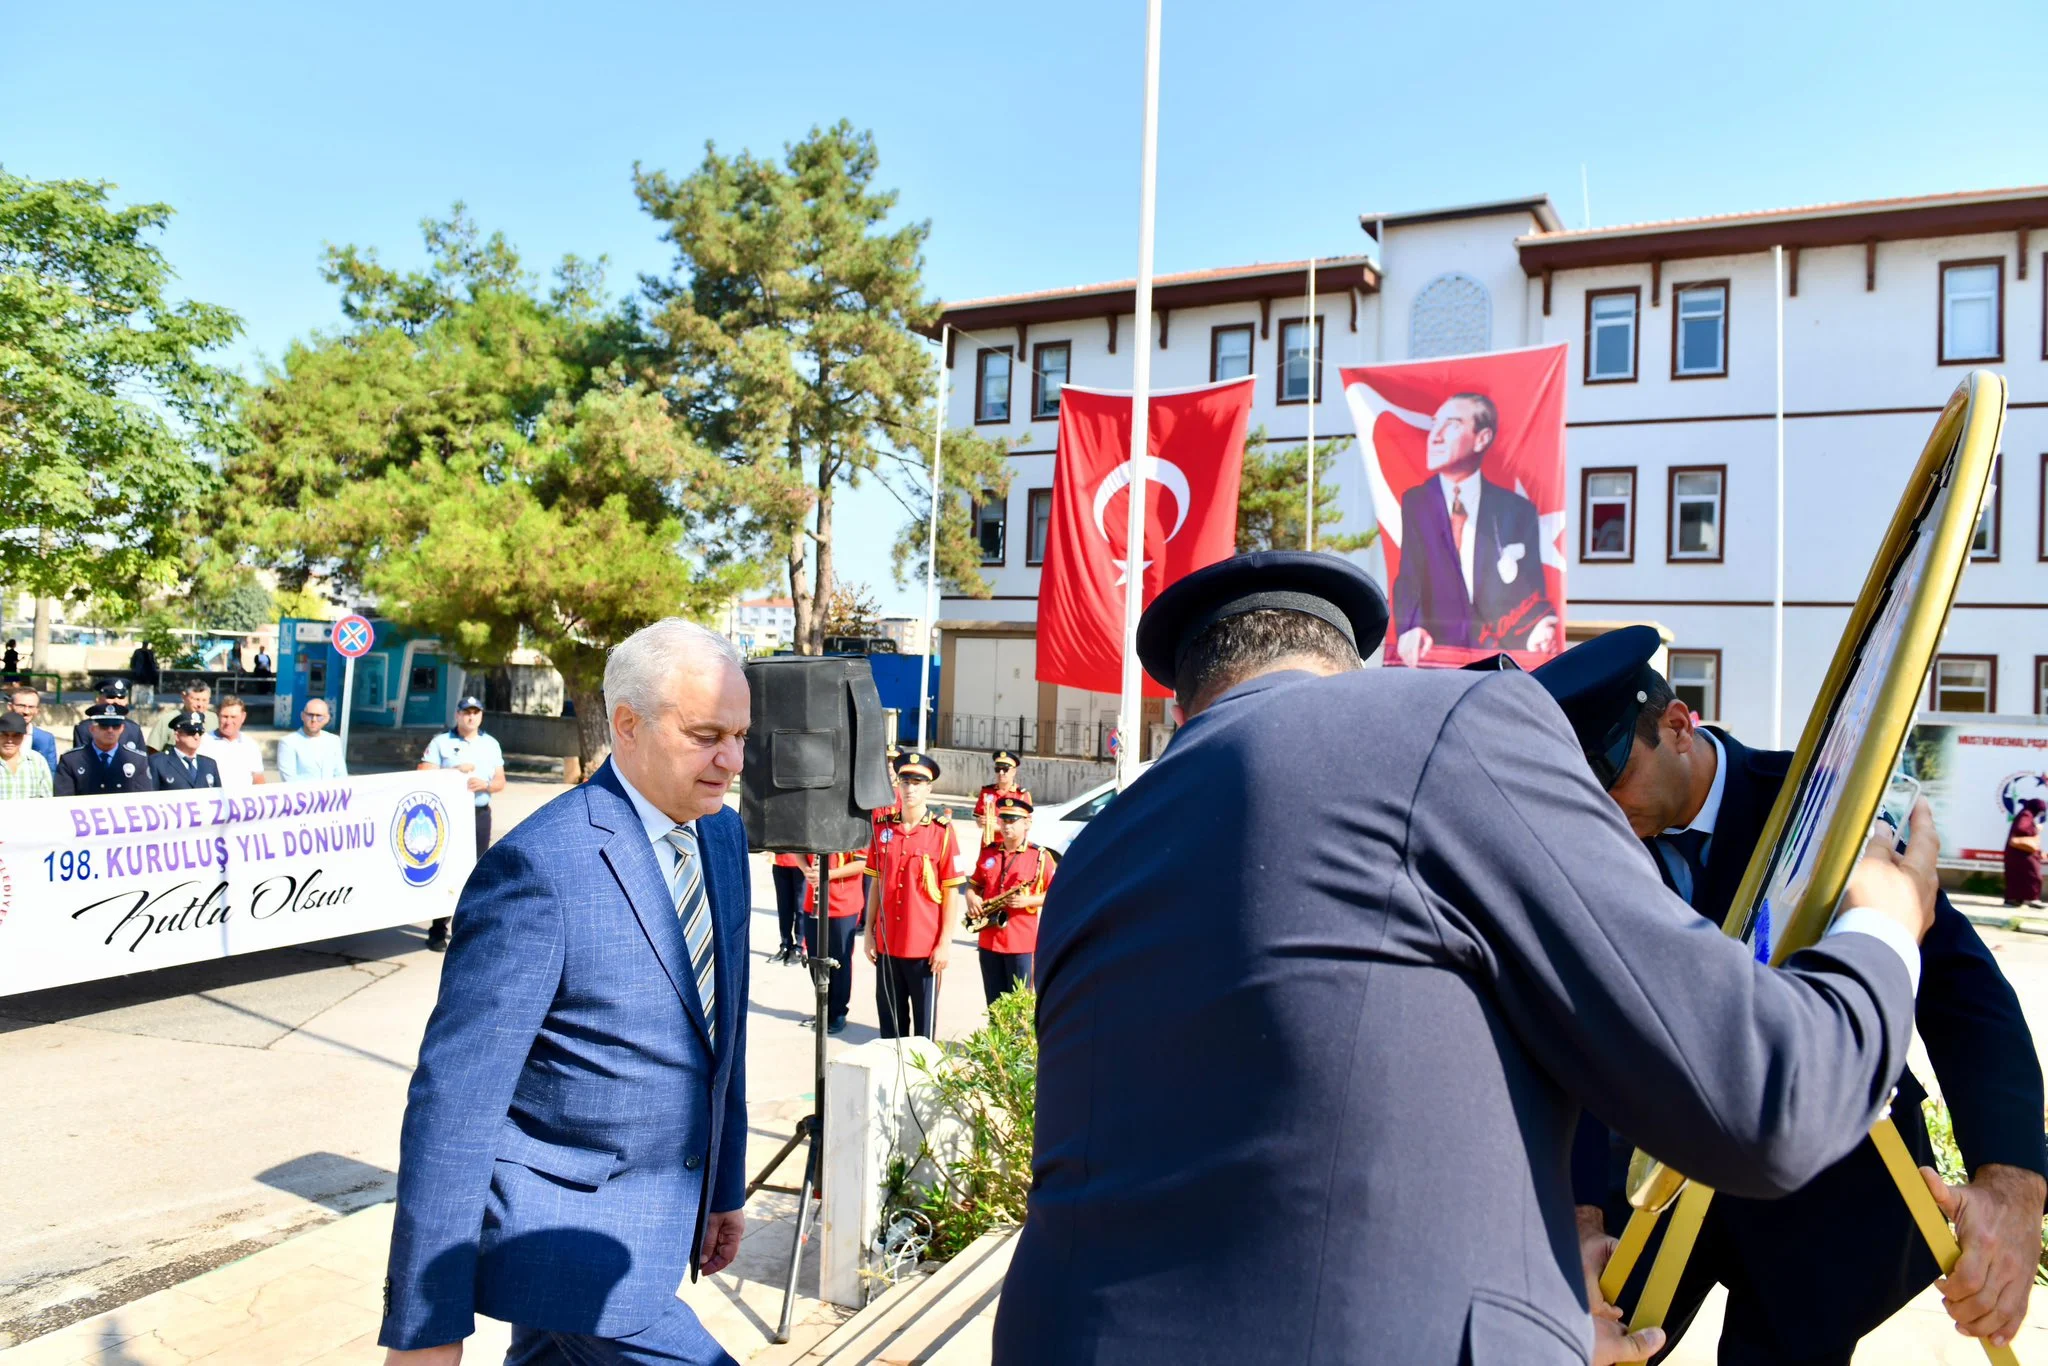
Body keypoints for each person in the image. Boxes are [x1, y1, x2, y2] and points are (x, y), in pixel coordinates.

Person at [993, 550, 1940, 1366]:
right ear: (1347, 670)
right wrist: (1886, 928)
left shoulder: (1096, 858)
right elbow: (1767, 1096)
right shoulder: (1436, 726)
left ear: (1184, 708)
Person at [1532, 626, 2048, 1360]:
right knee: (1570, 1343)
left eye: (1612, 773)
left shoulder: (1817, 813)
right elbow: (1569, 1020)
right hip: (1649, 1179)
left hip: (1824, 1184)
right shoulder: (1583, 844)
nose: (1604, 811)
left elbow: (1965, 993)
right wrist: (1579, 1216)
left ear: (1678, 727)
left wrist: (2014, 1186)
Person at [380, 618, 752, 1366]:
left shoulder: (722, 836)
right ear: (627, 725)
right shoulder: (539, 868)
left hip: (658, 1224)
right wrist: (429, 1326)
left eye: (741, 735)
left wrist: (724, 1183)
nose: (732, 760)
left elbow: (722, 1028)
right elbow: (454, 1103)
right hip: (566, 1246)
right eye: (708, 734)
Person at [1392, 393, 1559, 665]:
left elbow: (1531, 592)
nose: (1435, 436)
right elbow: (1409, 578)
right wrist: (1410, 628)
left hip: (1497, 663)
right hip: (1434, 661)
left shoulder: (1517, 511)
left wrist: (1539, 628)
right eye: (1435, 424)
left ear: (1482, 438)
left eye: (1452, 425)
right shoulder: (1416, 503)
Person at [863, 750, 963, 1040]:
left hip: (924, 948)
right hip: (887, 944)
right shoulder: (883, 829)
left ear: (929, 788)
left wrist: (945, 943)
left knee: (922, 1034)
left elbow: (951, 891)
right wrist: (869, 932)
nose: (910, 789)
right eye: (905, 782)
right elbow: (876, 884)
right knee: (890, 1029)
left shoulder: (942, 833)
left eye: (918, 783)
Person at [415, 696, 505, 953]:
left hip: (478, 813)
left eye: (476, 712)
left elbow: (500, 781)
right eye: (466, 712)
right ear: (457, 715)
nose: (471, 717)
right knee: (446, 870)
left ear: (481, 716)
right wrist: (453, 772)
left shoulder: (490, 744)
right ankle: (437, 929)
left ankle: (467, 929)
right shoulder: (441, 742)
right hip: (448, 816)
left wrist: (486, 785)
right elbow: (422, 772)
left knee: (475, 872)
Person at [965, 792, 1052, 1005]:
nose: (1006, 825)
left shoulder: (1039, 856)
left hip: (1020, 943)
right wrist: (971, 898)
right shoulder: (989, 852)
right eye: (1003, 819)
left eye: (1013, 820)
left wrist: (1028, 901)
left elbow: (1058, 893)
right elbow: (974, 885)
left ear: (1027, 824)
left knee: (1018, 1008)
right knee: (994, 1006)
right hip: (988, 939)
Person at [801, 848, 868, 1034]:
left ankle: (838, 1011)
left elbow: (862, 862)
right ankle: (824, 1008)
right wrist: (806, 869)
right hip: (813, 901)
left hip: (843, 903)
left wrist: (828, 874)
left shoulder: (853, 821)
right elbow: (796, 848)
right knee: (815, 959)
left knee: (839, 960)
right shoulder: (810, 819)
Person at [55, 704, 157, 795]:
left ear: (122, 729)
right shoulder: (71, 761)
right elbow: (64, 801)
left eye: (115, 725)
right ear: (92, 729)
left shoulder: (137, 760)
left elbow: (144, 800)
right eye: (104, 725)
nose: (110, 730)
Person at [201, 696, 267, 788]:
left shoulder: (250, 745)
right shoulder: (203, 742)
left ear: (243, 717)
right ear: (217, 716)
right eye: (225, 716)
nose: (229, 722)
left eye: (233, 717)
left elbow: (258, 779)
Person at [149, 711, 223, 790]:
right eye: (191, 732)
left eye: (200, 732)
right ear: (177, 736)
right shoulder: (158, 763)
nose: (196, 737)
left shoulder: (209, 764)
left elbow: (218, 796)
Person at [276, 698, 346, 781]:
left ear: (327, 719)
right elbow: (289, 780)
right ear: (302, 716)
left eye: (319, 716)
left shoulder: (333, 740)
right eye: (310, 715)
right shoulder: (288, 742)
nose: (314, 720)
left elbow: (341, 775)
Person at [71, 678, 146, 754]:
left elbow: (142, 762)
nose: (116, 701)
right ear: (98, 699)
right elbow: (79, 761)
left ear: (126, 700)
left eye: (121, 698)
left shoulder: (134, 729)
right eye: (111, 697)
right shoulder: (84, 729)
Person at [973, 749, 1031, 844]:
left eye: (1005, 769)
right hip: (990, 844)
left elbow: (1027, 825)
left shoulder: (1021, 795)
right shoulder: (986, 792)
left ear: (1013, 771)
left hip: (1012, 845)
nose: (1001, 773)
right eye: (997, 769)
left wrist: (1000, 828)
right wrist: (981, 822)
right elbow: (978, 819)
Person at [147, 680, 219, 752]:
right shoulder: (168, 720)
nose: (200, 704)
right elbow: (152, 750)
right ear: (184, 696)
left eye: (204, 700)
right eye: (196, 699)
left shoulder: (214, 719)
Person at [0, 712, 53, 800]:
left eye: (16, 736)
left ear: (24, 736)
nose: (10, 740)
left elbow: (47, 799)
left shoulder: (37, 761)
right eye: (4, 735)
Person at [2004, 797, 2045, 909]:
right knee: (2034, 875)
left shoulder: (2026, 814)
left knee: (2018, 876)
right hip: (2021, 853)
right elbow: (2021, 828)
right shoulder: (2026, 815)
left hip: (2019, 853)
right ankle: (2031, 899)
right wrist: (2036, 828)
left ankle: (2014, 900)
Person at [10, 686, 59, 773]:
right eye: (21, 706)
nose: (26, 712)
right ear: (10, 707)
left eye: (31, 707)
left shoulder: (46, 739)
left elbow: (51, 773)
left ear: (37, 710)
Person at [770, 852, 807, 965]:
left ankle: (800, 946)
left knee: (801, 907)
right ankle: (785, 944)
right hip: (780, 860)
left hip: (801, 862)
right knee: (783, 907)